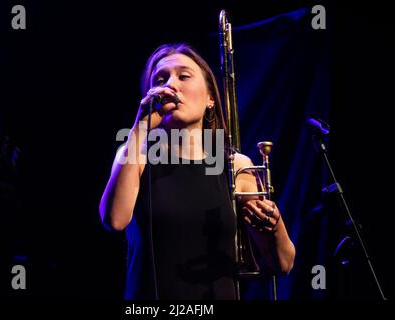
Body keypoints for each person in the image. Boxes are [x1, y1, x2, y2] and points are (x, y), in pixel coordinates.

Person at [99, 43, 295, 300]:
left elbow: (282, 263)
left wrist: (275, 224)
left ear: (210, 98)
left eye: (183, 76)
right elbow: (114, 220)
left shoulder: (235, 165)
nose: (170, 85)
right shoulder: (135, 154)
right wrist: (140, 127)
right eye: (160, 79)